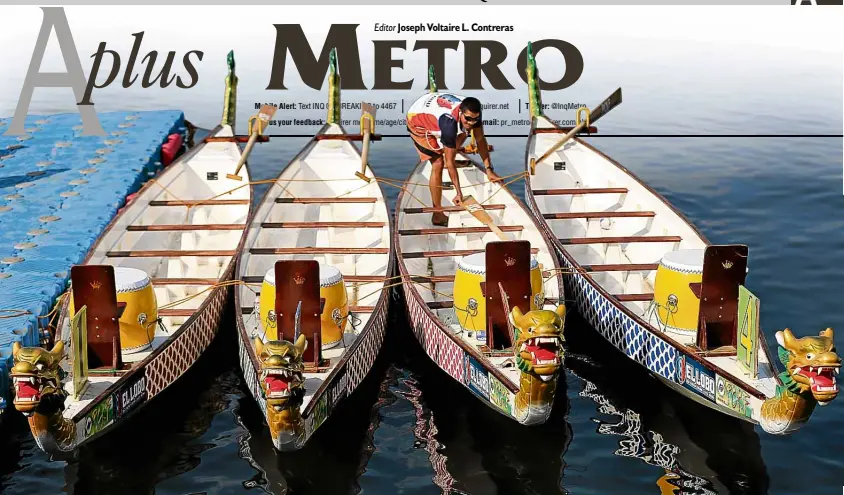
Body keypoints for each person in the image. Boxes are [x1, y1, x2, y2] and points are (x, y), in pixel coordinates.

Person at [406, 92, 503, 226]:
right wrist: (458, 193)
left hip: (433, 107)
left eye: (475, 119)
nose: (471, 122)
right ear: (461, 113)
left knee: (465, 132)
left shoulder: (474, 115)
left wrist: (489, 170)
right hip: (417, 121)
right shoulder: (449, 123)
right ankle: (437, 214)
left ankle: (448, 150)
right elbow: (451, 163)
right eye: (468, 119)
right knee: (438, 162)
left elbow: (480, 139)